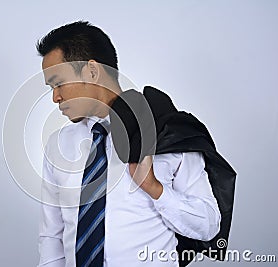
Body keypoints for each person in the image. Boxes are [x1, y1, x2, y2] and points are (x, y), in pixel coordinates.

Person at [36, 21, 234, 267]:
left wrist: (154, 188)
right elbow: (52, 237)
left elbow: (208, 226)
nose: (55, 97)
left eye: (59, 83)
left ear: (92, 72)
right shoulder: (58, 145)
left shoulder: (166, 134)